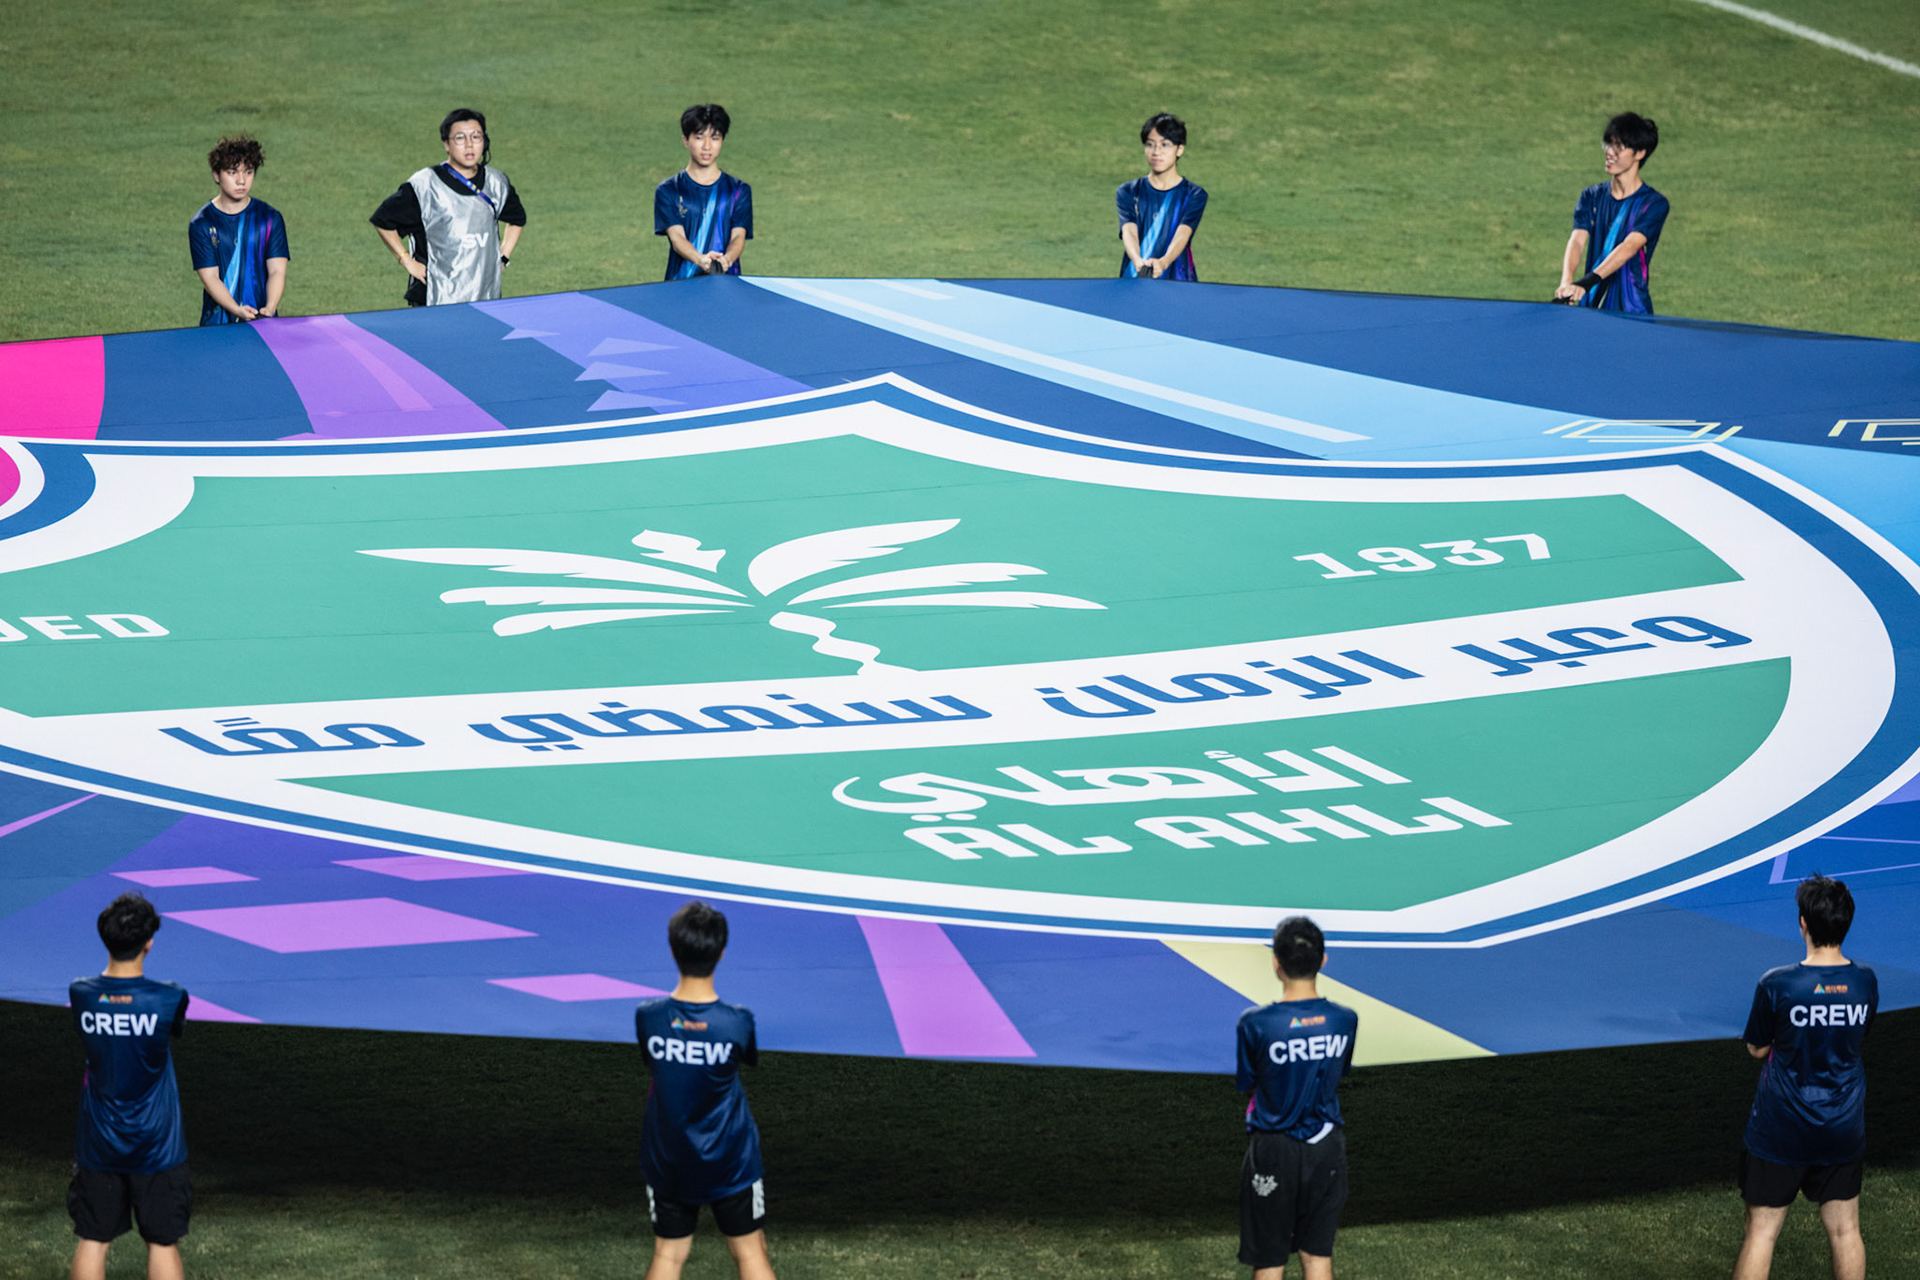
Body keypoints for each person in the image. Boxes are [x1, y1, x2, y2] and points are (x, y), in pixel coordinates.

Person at [1732, 875, 1878, 1280]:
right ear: (1846, 923)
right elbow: (1855, 1037)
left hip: (1781, 1127)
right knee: (1846, 1230)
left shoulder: (1777, 983)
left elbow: (1757, 1048)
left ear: (1803, 924)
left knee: (1761, 1234)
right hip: (1842, 1126)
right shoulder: (1865, 982)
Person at [635, 901, 774, 1280]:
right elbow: (746, 1057)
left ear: (672, 948)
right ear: (721, 952)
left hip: (670, 1159)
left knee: (668, 1255)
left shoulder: (648, 1017)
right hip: (732, 1160)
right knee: (750, 1253)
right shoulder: (737, 1023)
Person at [68, 892, 192, 1280]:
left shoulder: (81, 994)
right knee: (162, 1242)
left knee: (93, 1238)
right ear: (148, 941)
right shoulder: (168, 998)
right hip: (157, 1146)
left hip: (99, 1143)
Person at [1236, 916, 1359, 1280]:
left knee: (1271, 1260)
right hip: (1326, 1148)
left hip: (1274, 1148)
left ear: (1276, 963)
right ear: (1323, 960)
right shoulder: (1345, 1020)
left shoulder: (1255, 1023)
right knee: (1318, 1256)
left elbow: (1249, 1081)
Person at [369, 108, 526, 306]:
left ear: (484, 141)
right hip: (433, 299)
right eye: (460, 138)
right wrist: (406, 260)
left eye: (476, 137)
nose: (469, 145)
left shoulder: (497, 183)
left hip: (485, 299)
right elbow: (383, 221)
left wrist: (503, 257)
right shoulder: (424, 186)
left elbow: (517, 219)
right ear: (447, 144)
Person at [1553, 112, 1669, 313]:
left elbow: (1629, 247)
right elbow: (1578, 240)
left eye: (1619, 147)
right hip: (1592, 305)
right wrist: (1566, 282)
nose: (1610, 152)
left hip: (1632, 309)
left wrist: (1586, 283)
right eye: (1608, 144)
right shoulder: (1591, 196)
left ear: (1640, 153)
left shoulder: (1653, 203)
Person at [187, 135, 288, 326]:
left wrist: (270, 308)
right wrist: (236, 309)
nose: (241, 181)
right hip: (217, 328)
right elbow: (210, 278)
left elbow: (277, 271)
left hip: (264, 325)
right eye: (233, 172)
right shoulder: (201, 224)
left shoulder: (270, 218)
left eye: (248, 172)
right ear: (216, 175)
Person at [655, 104, 753, 281]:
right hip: (681, 285)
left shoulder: (739, 191)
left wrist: (726, 261)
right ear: (685, 140)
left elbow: (738, 236)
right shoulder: (668, 190)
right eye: (699, 138)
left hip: (727, 285)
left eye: (715, 138)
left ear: (722, 140)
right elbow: (677, 237)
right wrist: (701, 260)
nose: (707, 146)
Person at [1117, 111, 1208, 280]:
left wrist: (1164, 263)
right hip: (1134, 275)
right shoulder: (1128, 191)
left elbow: (1183, 233)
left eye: (1165, 145)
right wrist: (1138, 262)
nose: (1156, 152)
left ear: (1179, 149)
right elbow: (1129, 231)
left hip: (1179, 281)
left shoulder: (1194, 194)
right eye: (1150, 145)